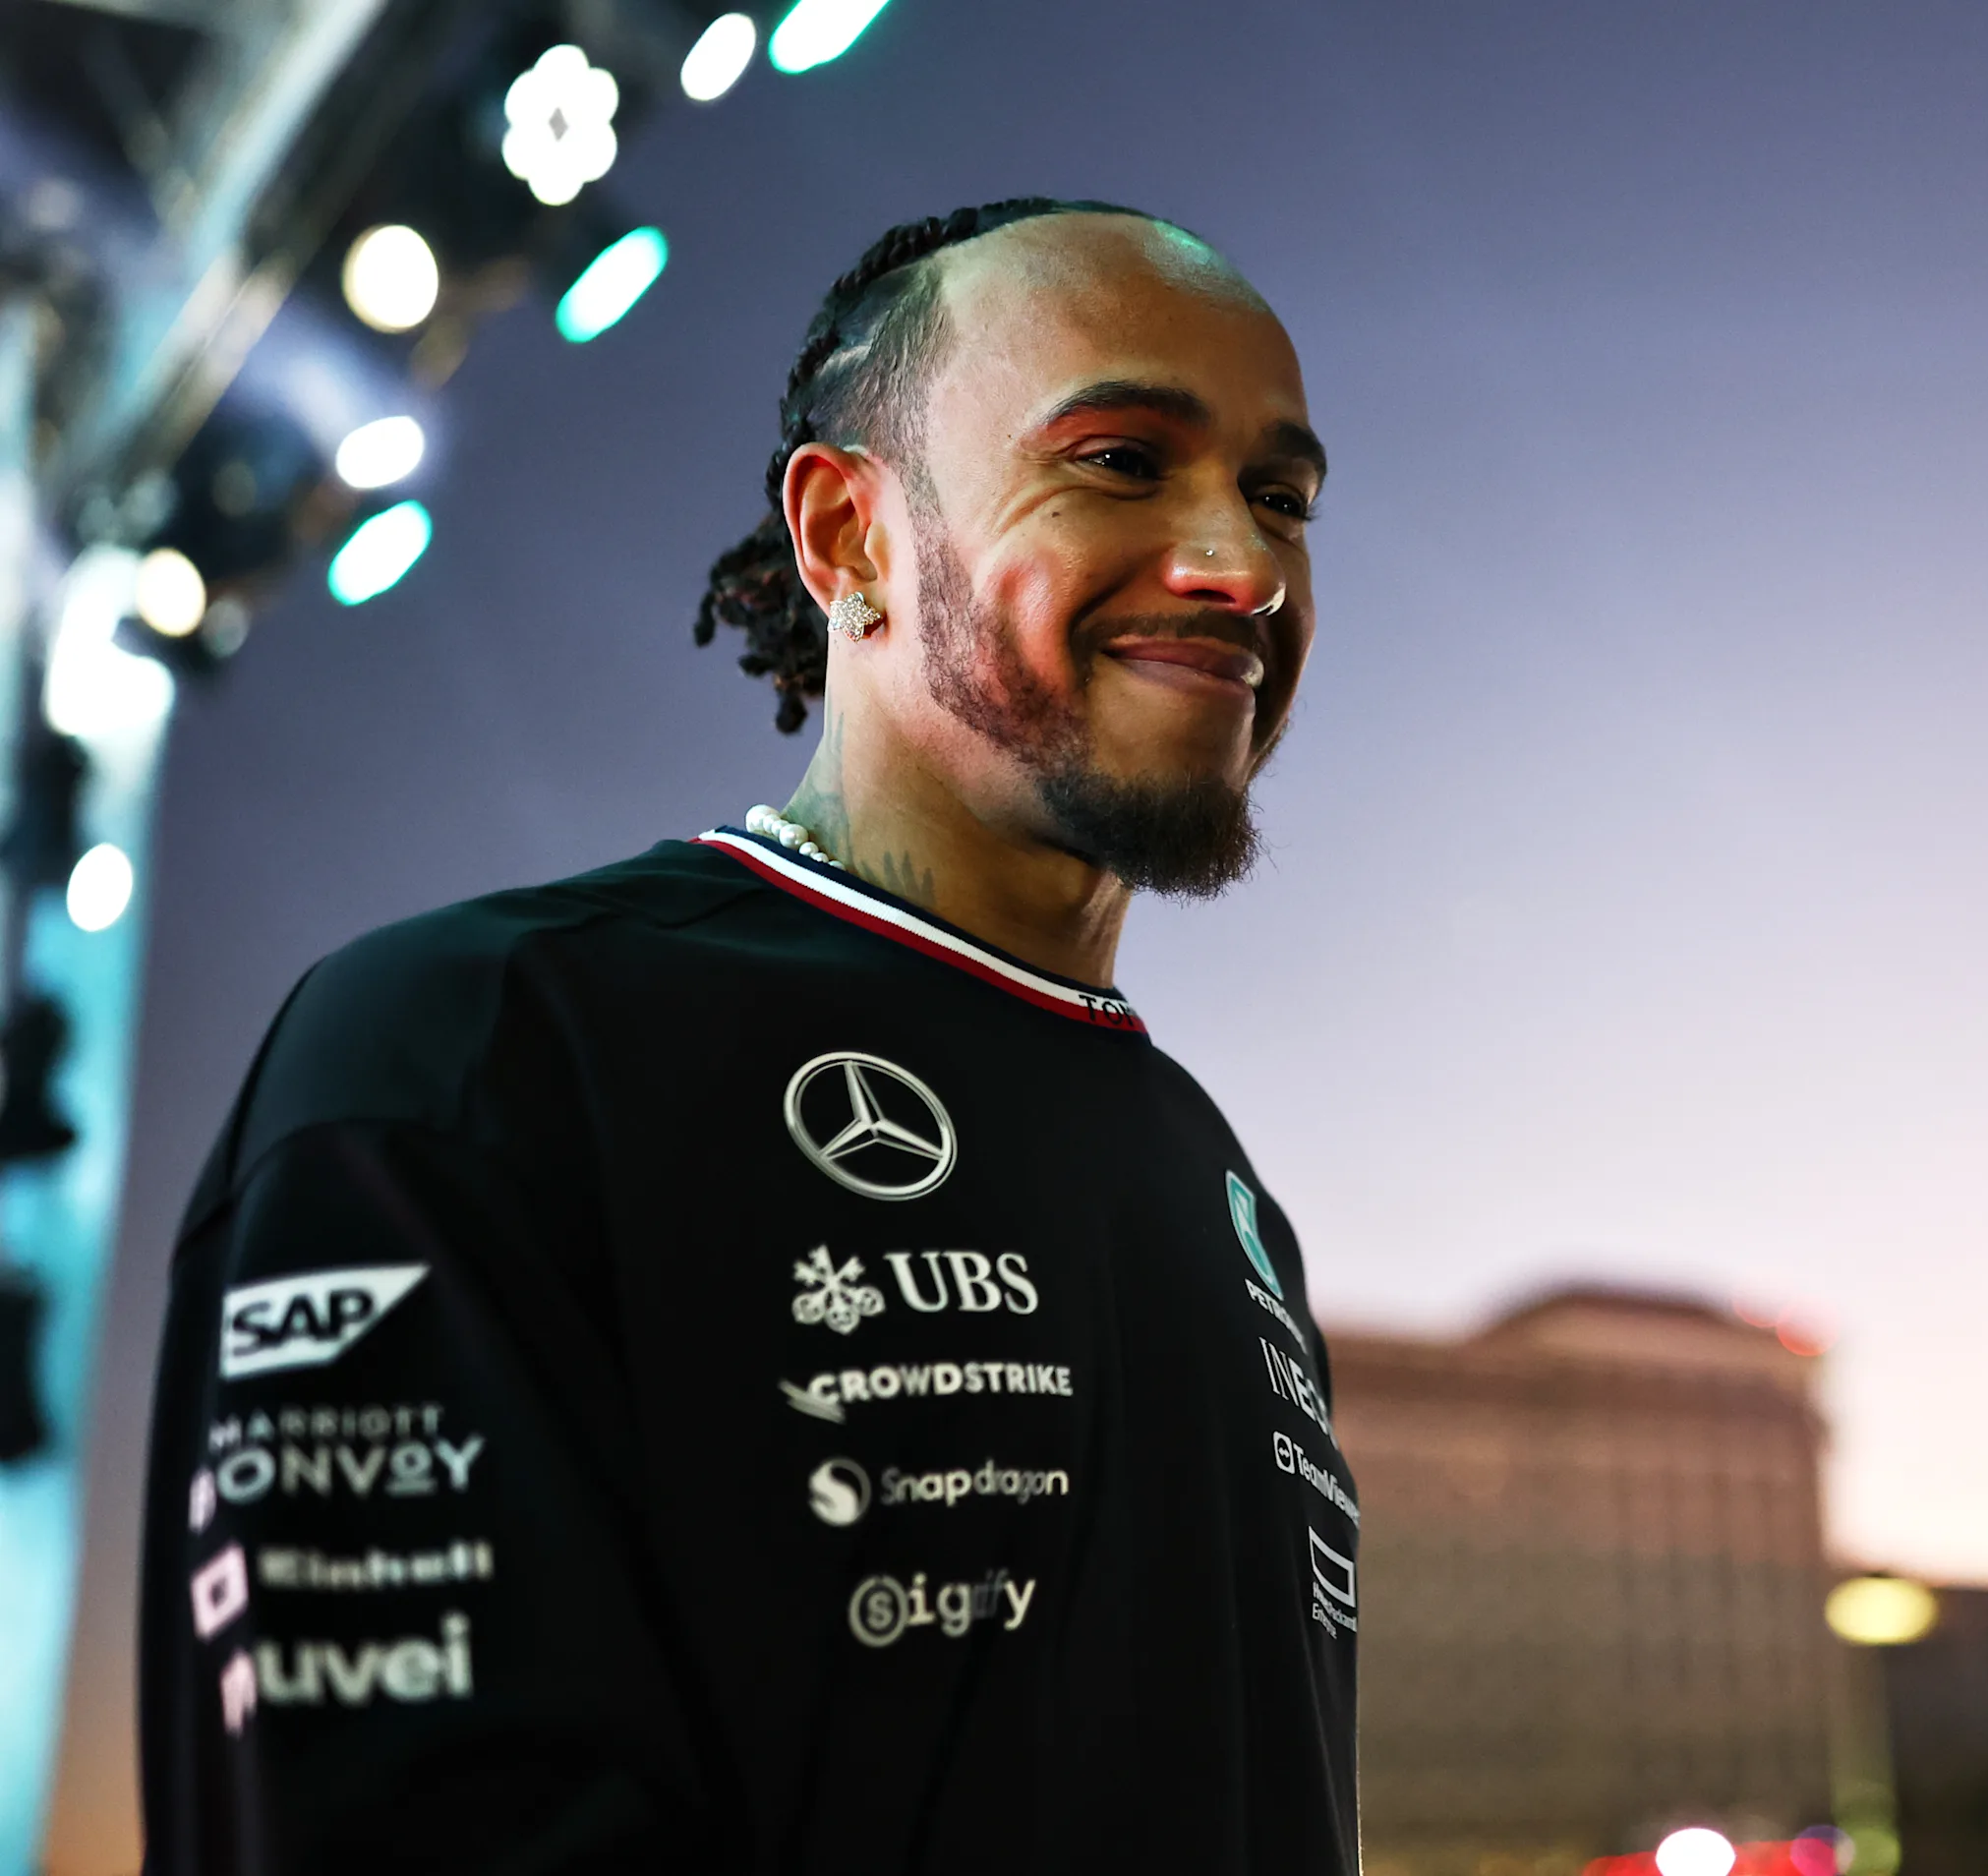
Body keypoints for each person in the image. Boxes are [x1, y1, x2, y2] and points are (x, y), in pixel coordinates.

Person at [137, 199, 1356, 1873]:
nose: (1240, 563)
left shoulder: (1220, 1190)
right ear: (849, 536)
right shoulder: (476, 1050)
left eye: (1281, 495)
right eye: (1122, 462)